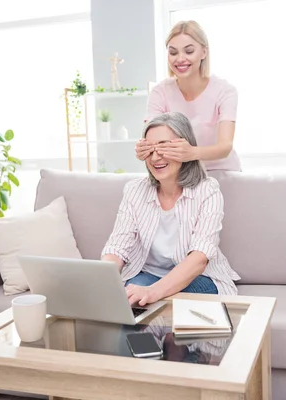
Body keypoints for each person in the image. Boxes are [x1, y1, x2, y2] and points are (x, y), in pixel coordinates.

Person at [102, 112, 240, 306]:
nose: (156, 157)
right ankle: (157, 335)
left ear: (184, 149)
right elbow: (118, 246)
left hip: (199, 278)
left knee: (149, 300)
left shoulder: (207, 190)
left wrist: (153, 292)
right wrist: (101, 278)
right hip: (149, 276)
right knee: (130, 299)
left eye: (165, 147)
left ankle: (161, 332)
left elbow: (200, 258)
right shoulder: (134, 190)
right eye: (149, 149)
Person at [136, 20, 241, 172]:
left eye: (189, 51)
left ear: (204, 52)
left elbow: (225, 147)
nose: (180, 59)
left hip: (222, 174)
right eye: (173, 52)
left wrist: (191, 153)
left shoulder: (224, 91)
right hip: (182, 176)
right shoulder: (160, 92)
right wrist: (144, 148)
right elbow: (151, 138)